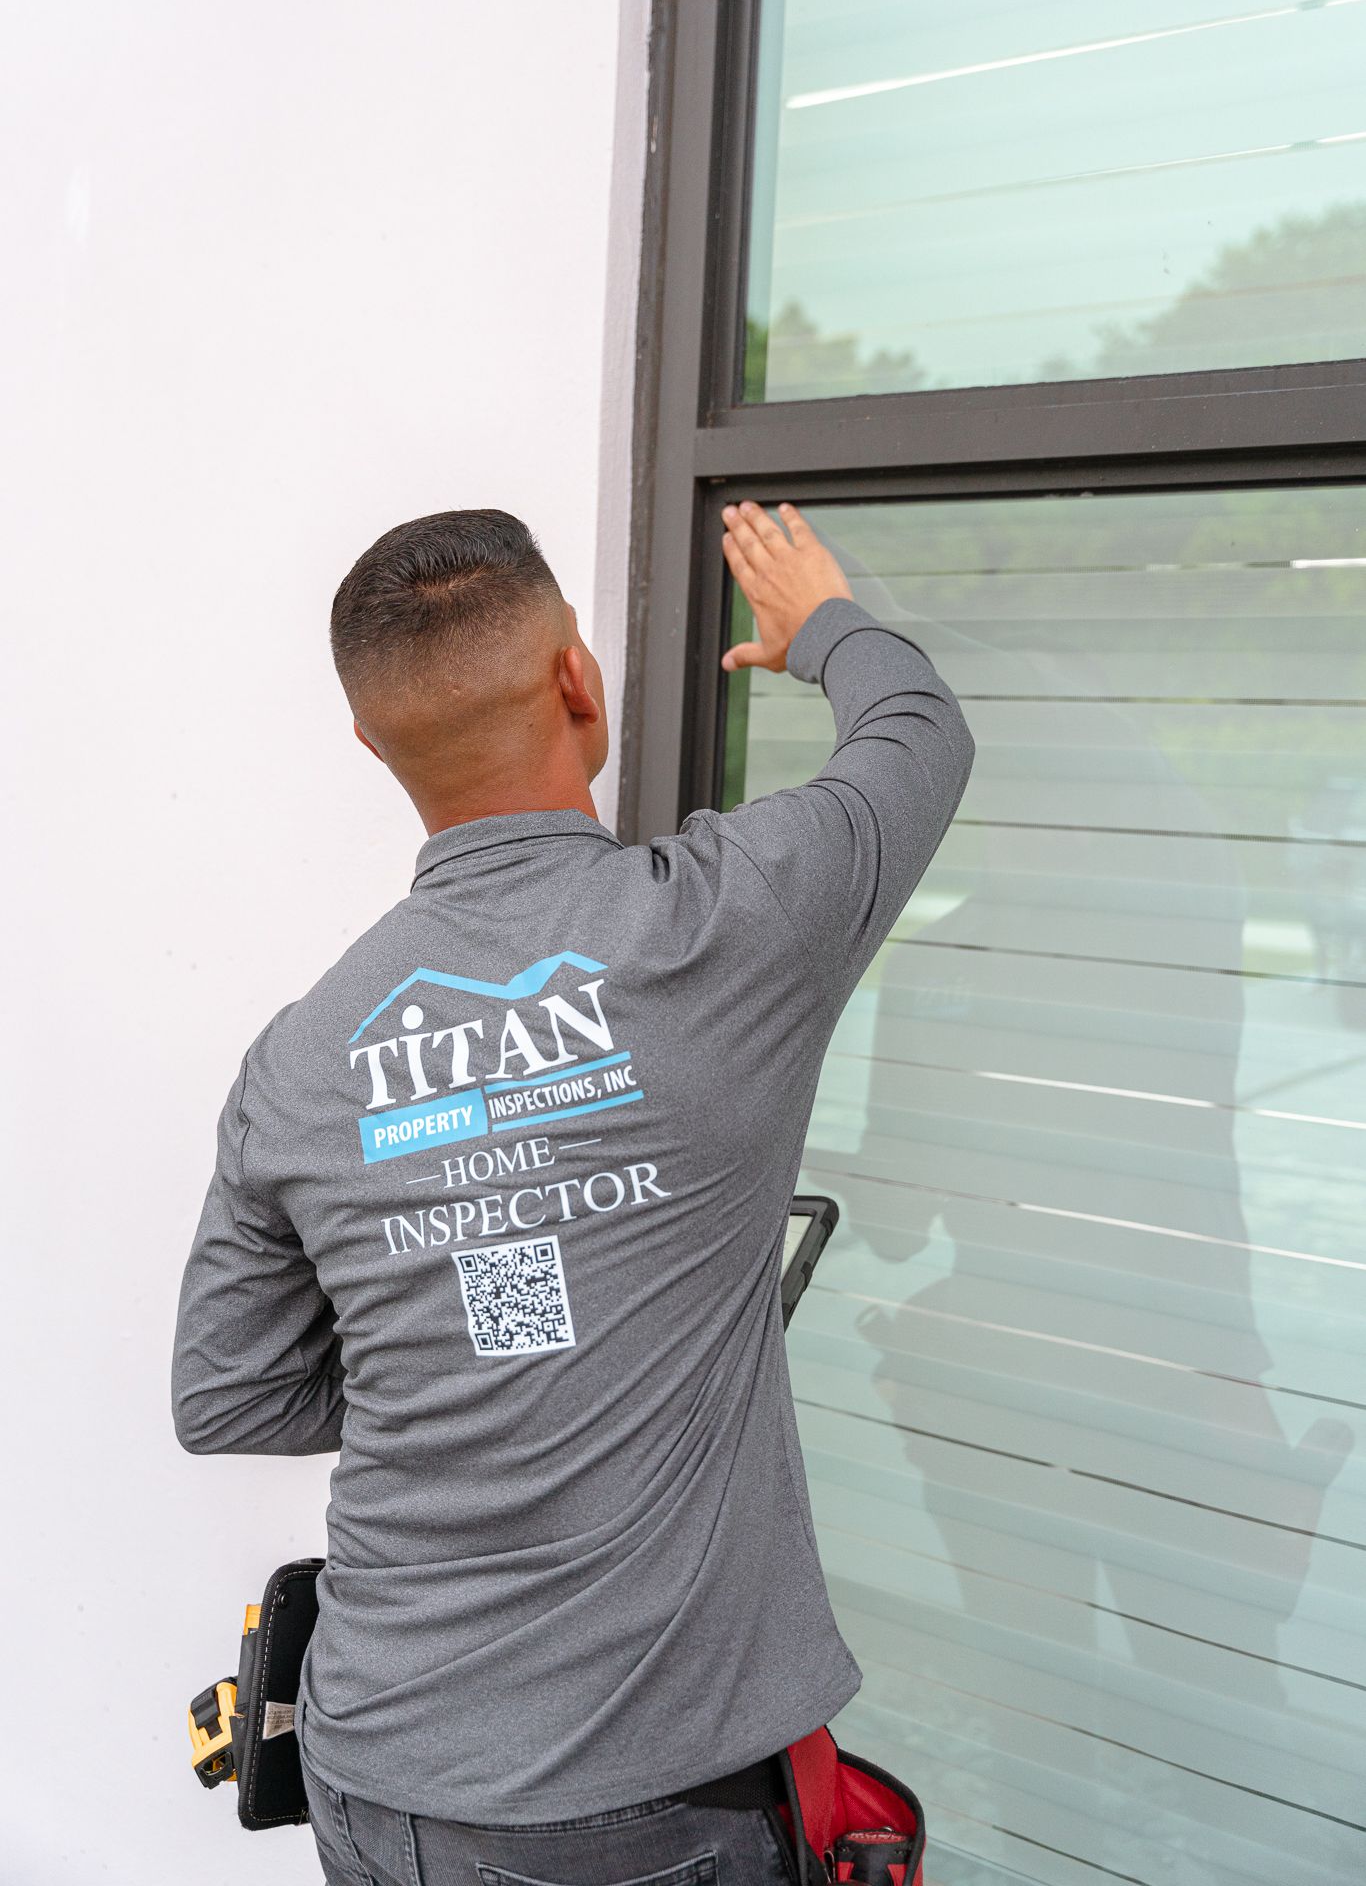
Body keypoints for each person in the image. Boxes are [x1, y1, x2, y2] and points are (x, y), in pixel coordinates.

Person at [172, 499, 974, 1885]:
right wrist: (820, 623)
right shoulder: (727, 923)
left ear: (372, 743)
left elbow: (228, 1397)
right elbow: (916, 736)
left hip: (369, 1773)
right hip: (632, 1811)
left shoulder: (300, 1060)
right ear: (578, 682)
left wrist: (461, 1342)